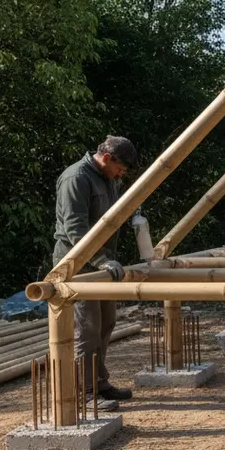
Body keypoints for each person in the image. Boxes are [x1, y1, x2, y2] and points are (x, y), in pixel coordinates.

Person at [53, 135, 140, 410]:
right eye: (120, 168)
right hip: (78, 266)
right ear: (107, 158)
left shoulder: (108, 179)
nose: (121, 174)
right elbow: (74, 229)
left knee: (105, 323)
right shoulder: (76, 178)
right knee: (87, 329)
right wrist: (101, 259)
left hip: (103, 265)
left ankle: (99, 383)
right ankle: (84, 392)